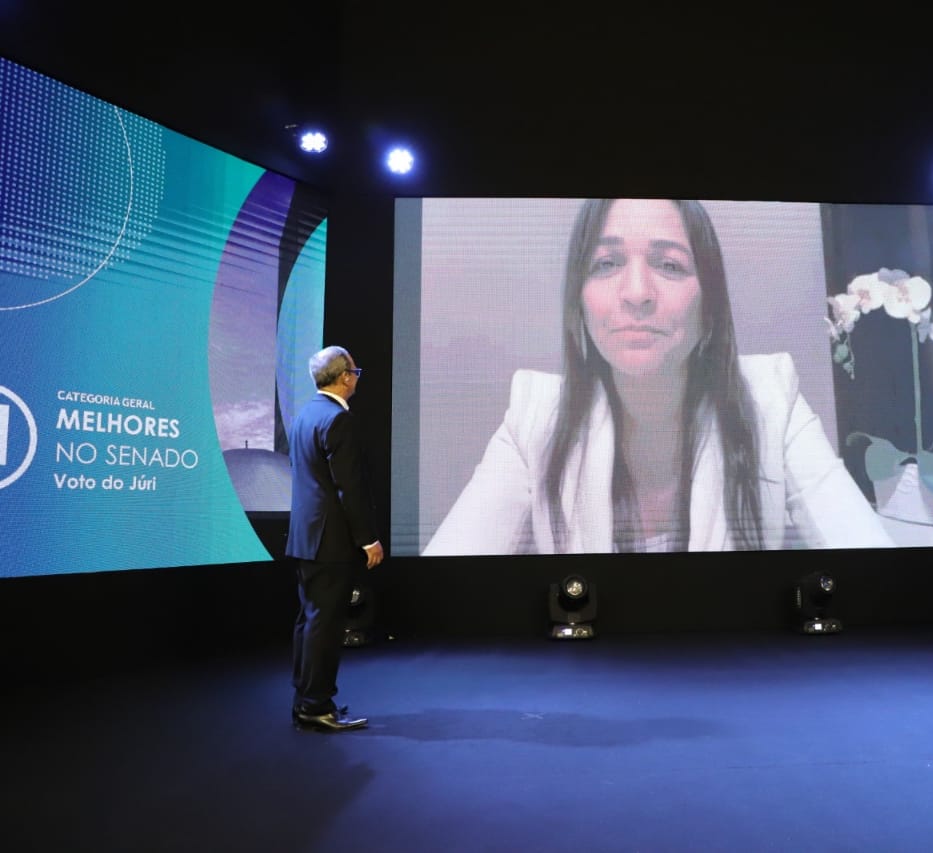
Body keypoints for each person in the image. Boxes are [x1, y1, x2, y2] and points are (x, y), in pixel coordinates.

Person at [424, 198, 893, 555]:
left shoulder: (770, 397)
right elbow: (448, 573)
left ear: (710, 306)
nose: (636, 294)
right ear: (579, 302)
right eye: (606, 264)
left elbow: (871, 559)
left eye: (669, 265)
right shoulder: (534, 414)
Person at [286, 346, 384, 732]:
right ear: (345, 377)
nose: (357, 377)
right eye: (355, 371)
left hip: (306, 539)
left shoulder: (304, 416)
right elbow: (350, 489)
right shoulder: (338, 421)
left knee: (309, 621)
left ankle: (305, 699)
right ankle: (316, 705)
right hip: (332, 542)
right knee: (325, 624)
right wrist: (368, 540)